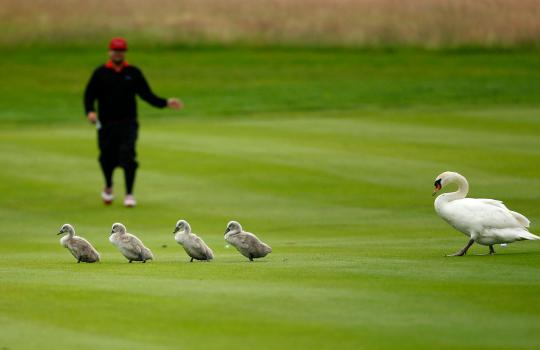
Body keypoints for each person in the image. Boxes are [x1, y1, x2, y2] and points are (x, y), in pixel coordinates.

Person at [84, 37, 182, 207]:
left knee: (128, 156)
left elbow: (147, 95)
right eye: (115, 51)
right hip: (106, 123)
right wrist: (90, 112)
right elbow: (89, 96)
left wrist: (165, 102)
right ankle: (108, 186)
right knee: (106, 157)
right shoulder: (100, 73)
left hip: (128, 123)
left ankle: (129, 193)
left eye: (121, 51)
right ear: (110, 52)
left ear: (124, 52)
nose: (118, 54)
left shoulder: (133, 73)